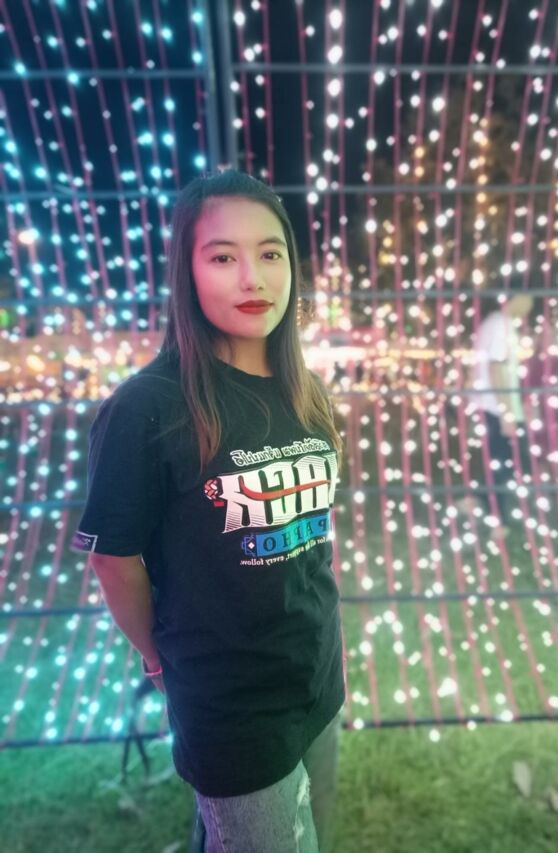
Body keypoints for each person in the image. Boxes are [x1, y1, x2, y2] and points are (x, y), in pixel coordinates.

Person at [70, 169, 346, 853]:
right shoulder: (147, 407)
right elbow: (113, 558)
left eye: (270, 252)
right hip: (230, 707)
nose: (253, 277)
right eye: (223, 257)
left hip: (318, 678)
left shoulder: (306, 391)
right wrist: (158, 659)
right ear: (186, 272)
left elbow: (312, 536)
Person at [466, 278, 535, 539]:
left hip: (489, 404)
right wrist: (507, 412)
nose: (531, 306)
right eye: (530, 299)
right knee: (504, 465)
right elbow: (497, 369)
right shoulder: (502, 325)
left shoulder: (492, 322)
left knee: (497, 460)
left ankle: (476, 500)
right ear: (518, 298)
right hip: (497, 407)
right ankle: (499, 520)